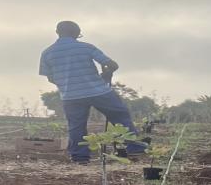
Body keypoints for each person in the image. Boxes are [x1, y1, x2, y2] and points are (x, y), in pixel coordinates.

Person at [38, 21, 145, 164]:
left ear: (57, 32)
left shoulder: (47, 53)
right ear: (77, 33)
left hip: (70, 95)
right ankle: (134, 147)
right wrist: (106, 73)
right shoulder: (86, 47)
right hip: (98, 91)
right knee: (120, 115)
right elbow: (112, 64)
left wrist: (66, 84)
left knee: (76, 126)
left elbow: (51, 77)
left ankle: (79, 158)